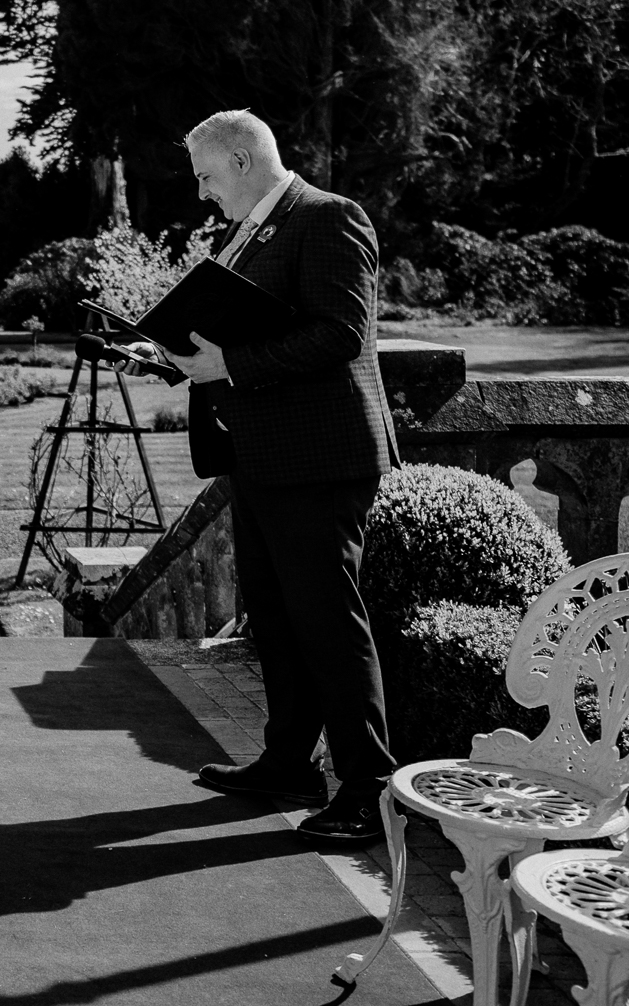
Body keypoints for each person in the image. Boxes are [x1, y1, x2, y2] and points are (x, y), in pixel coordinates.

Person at [170, 109, 401, 845]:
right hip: (263, 458)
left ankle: (369, 791)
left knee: (329, 624)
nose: (204, 193)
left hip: (322, 461)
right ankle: (287, 762)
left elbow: (343, 332)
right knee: (276, 616)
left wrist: (229, 365)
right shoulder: (243, 234)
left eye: (207, 176)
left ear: (241, 161)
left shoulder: (330, 218)